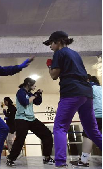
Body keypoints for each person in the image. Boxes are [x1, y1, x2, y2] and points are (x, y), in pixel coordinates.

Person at [44, 31, 102, 168]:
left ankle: (60, 163)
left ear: (57, 42)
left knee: (59, 127)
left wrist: (49, 66)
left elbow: (54, 75)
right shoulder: (75, 54)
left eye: (51, 44)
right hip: (86, 93)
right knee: (92, 130)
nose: (51, 47)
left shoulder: (59, 53)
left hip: (71, 92)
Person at [6, 78, 55, 166]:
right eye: (33, 85)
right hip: (21, 119)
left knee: (47, 134)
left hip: (31, 119)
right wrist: (35, 95)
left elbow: (38, 102)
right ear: (28, 84)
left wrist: (39, 94)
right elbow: (25, 102)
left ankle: (47, 157)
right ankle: (10, 159)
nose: (35, 86)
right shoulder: (20, 92)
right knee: (20, 140)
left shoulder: (30, 94)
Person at [70, 75, 102, 167]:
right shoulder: (100, 88)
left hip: (96, 115)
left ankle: (83, 161)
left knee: (87, 136)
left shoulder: (88, 88)